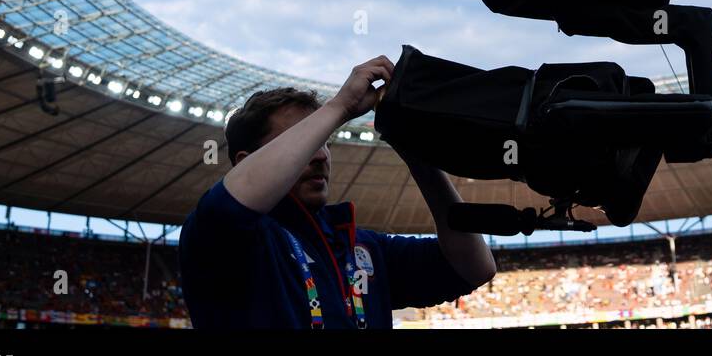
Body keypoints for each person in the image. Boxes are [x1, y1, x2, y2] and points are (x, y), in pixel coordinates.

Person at [179, 55, 496, 328]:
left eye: (324, 141)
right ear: (244, 163)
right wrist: (340, 106)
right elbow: (231, 205)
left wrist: (418, 155)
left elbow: (474, 268)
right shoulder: (221, 237)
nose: (320, 155)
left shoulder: (361, 246)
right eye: (303, 143)